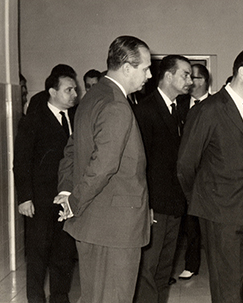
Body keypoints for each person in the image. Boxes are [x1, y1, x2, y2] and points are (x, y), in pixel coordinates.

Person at [53, 35, 152, 303]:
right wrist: (73, 201)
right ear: (128, 68)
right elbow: (104, 165)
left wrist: (66, 191)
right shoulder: (116, 105)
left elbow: (72, 149)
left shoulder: (93, 96)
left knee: (94, 297)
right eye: (145, 68)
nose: (149, 74)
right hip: (115, 229)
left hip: (91, 225)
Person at [177, 47, 243, 303]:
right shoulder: (209, 110)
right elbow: (186, 165)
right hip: (221, 213)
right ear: (242, 73)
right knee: (228, 290)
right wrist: (204, 200)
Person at [13, 68, 78, 303]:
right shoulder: (34, 120)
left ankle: (60, 298)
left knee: (64, 253)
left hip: (66, 199)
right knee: (38, 255)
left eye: (75, 89)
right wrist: (25, 198)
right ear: (52, 92)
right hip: (40, 200)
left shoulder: (77, 118)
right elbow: (20, 161)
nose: (74, 94)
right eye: (68, 90)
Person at [133, 55, 193, 303]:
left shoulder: (178, 108)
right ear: (168, 76)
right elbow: (139, 165)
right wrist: (146, 206)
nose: (190, 80)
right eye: (185, 74)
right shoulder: (145, 111)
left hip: (174, 204)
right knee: (148, 269)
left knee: (163, 270)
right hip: (154, 206)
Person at [175, 63, 211, 280]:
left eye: (195, 78)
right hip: (184, 171)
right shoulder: (179, 104)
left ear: (205, 80)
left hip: (206, 173)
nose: (191, 82)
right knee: (188, 222)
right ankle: (191, 263)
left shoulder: (215, 105)